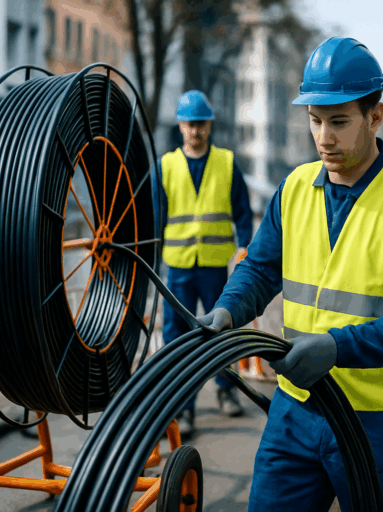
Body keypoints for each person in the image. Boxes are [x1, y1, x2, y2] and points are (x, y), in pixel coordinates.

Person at [198, 37, 383, 511]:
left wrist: (337, 348)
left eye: (339, 122)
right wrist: (227, 310)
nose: (323, 138)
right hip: (295, 410)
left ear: (375, 117)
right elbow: (259, 268)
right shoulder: (294, 189)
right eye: (315, 121)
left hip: (381, 422)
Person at [155, 90, 254, 438]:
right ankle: (184, 407)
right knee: (176, 336)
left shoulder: (226, 163)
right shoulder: (165, 167)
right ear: (180, 126)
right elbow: (155, 217)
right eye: (189, 124)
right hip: (179, 267)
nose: (195, 130)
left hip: (214, 265)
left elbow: (242, 212)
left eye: (200, 124)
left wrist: (245, 248)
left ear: (209, 126)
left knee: (220, 332)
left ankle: (227, 389)